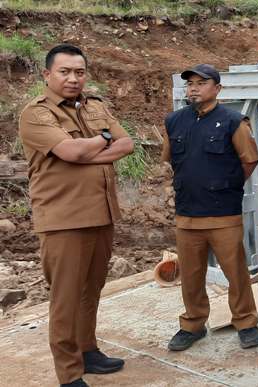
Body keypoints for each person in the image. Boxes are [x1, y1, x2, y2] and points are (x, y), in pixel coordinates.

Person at [18, 44, 134, 387]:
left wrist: (87, 150)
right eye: (65, 72)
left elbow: (126, 144)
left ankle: (88, 350)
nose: (73, 78)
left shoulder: (95, 105)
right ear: (47, 74)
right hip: (64, 219)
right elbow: (69, 150)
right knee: (66, 298)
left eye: (79, 72)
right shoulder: (36, 114)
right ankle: (69, 373)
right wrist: (103, 139)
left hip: (101, 214)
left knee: (91, 290)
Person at [161, 64, 258, 352]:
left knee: (236, 273)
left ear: (217, 89)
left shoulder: (233, 121)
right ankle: (192, 325)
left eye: (201, 83)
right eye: (190, 83)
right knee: (191, 276)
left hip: (223, 214)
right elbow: (168, 159)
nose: (193, 88)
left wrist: (226, 185)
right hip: (187, 215)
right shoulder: (174, 121)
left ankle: (245, 322)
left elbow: (250, 160)